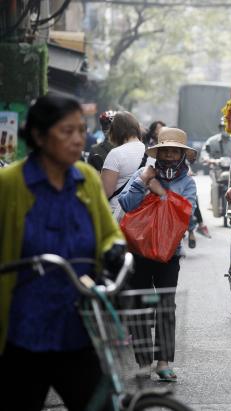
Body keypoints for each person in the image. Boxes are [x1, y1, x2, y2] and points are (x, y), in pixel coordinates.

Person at [0, 96, 125, 410]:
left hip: (78, 328)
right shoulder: (9, 184)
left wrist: (115, 250)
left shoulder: (87, 180)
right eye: (66, 131)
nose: (78, 139)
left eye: (81, 131)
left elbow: (109, 232)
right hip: (22, 331)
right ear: (40, 136)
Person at [118, 127, 197, 381]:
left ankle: (163, 362)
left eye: (176, 152)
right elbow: (126, 204)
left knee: (165, 306)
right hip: (138, 251)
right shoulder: (142, 174)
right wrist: (144, 182)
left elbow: (185, 215)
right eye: (166, 151)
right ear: (158, 152)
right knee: (140, 305)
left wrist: (159, 191)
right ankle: (143, 362)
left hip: (169, 254)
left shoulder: (187, 182)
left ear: (182, 155)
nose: (170, 156)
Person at [101, 111, 152, 221]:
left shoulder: (116, 154)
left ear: (115, 131)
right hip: (141, 215)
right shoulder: (150, 153)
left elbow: (106, 191)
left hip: (117, 215)